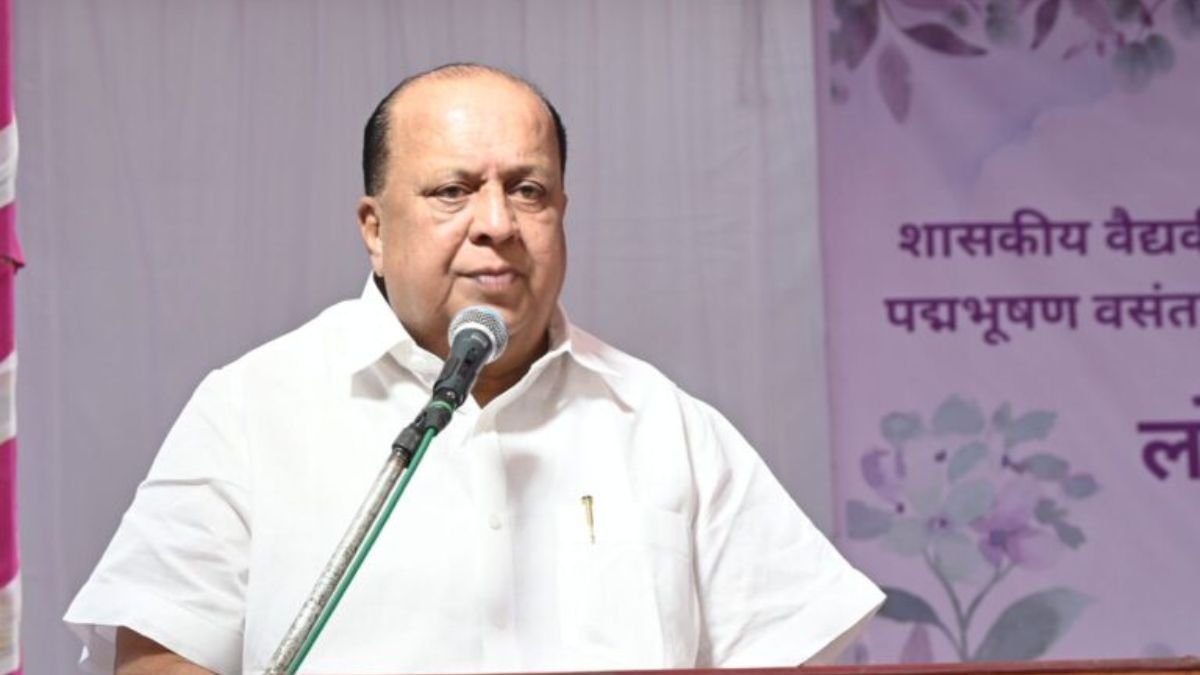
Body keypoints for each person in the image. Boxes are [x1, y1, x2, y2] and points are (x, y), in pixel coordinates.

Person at [65, 63, 883, 674]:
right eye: (453, 191)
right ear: (374, 227)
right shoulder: (254, 406)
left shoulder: (663, 423)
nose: (497, 223)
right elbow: (160, 654)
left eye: (528, 190)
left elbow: (789, 650)